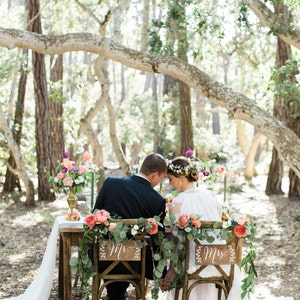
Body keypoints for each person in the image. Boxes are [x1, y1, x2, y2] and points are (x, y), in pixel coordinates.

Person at [160, 156, 241, 300]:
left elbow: (177, 242)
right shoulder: (211, 196)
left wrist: (171, 269)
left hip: (191, 263)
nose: (170, 183)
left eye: (171, 178)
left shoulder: (177, 203)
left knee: (185, 256)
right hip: (218, 261)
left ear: (181, 178)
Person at [93, 153, 168, 300]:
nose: (160, 182)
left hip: (103, 258)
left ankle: (115, 294)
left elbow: (95, 215)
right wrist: (162, 273)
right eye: (162, 178)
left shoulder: (110, 183)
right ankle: (117, 294)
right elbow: (159, 240)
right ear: (155, 175)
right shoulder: (157, 201)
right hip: (136, 263)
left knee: (115, 291)